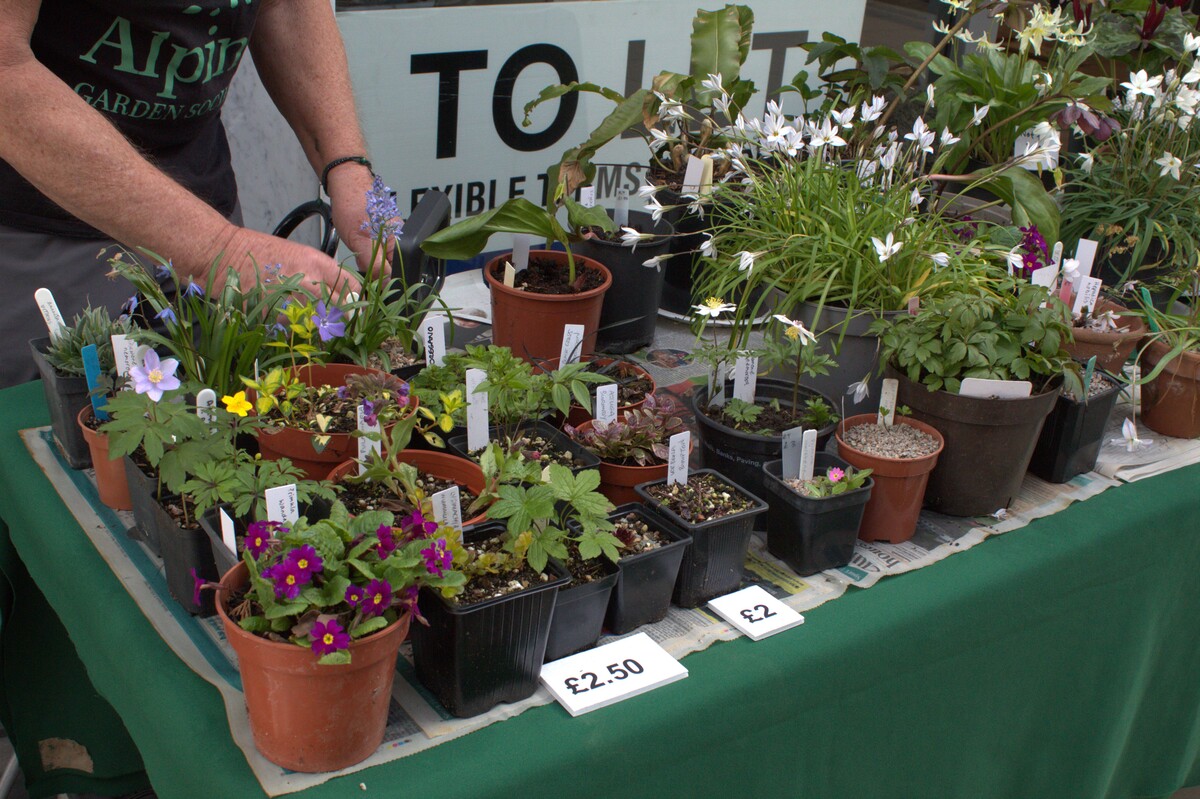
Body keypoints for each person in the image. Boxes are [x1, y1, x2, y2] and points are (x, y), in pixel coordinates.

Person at [0, 0, 384, 388]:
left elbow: (285, 5)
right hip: (41, 230)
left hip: (203, 205)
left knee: (227, 418)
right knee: (61, 431)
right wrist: (222, 251)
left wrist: (344, 162)